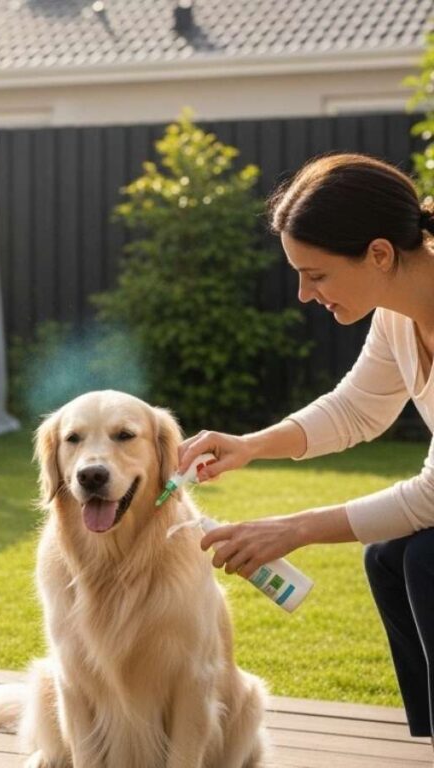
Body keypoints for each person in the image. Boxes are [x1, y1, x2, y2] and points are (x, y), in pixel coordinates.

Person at [177, 152, 434, 740]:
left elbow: (430, 497)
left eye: (315, 274)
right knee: (387, 556)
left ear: (379, 254)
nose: (302, 293)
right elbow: (357, 409)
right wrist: (249, 446)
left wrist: (293, 529)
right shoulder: (399, 315)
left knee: (427, 558)